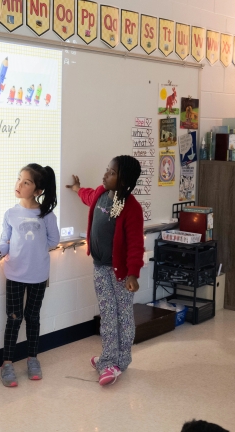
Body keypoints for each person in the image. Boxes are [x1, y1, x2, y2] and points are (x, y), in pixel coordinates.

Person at [66, 155, 144, 386]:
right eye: (107, 170)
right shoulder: (101, 194)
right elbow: (89, 196)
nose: (105, 174)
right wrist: (78, 189)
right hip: (100, 267)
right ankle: (108, 359)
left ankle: (120, 361)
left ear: (123, 180)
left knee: (123, 317)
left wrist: (133, 274)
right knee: (108, 315)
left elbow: (135, 244)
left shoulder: (130, 207)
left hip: (121, 273)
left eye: (111, 172)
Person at [0, 163, 58, 388]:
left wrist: (33, 246)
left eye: (26, 182)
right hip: (14, 274)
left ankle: (32, 359)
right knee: (14, 319)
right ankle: (7, 364)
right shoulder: (11, 214)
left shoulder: (46, 215)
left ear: (37, 191)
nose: (19, 185)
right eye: (19, 179)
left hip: (38, 275)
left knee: (33, 318)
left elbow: (53, 241)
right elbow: (6, 244)